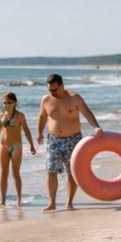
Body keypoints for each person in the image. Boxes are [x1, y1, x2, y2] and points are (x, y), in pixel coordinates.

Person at [36, 73, 102, 212]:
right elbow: (42, 116)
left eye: (55, 90)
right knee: (51, 170)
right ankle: (52, 203)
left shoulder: (74, 98)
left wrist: (96, 127)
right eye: (50, 90)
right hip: (53, 140)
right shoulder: (46, 99)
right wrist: (39, 133)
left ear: (62, 85)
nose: (52, 93)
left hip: (73, 139)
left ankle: (69, 202)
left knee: (72, 172)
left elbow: (87, 113)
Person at [0, 92, 36, 207]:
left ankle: (19, 199)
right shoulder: (1, 115)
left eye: (9, 102)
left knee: (15, 173)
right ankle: (3, 200)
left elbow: (26, 130)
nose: (6, 105)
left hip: (16, 146)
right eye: (4, 102)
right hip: (3, 145)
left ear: (15, 103)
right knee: (3, 173)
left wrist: (31, 145)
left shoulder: (20, 116)